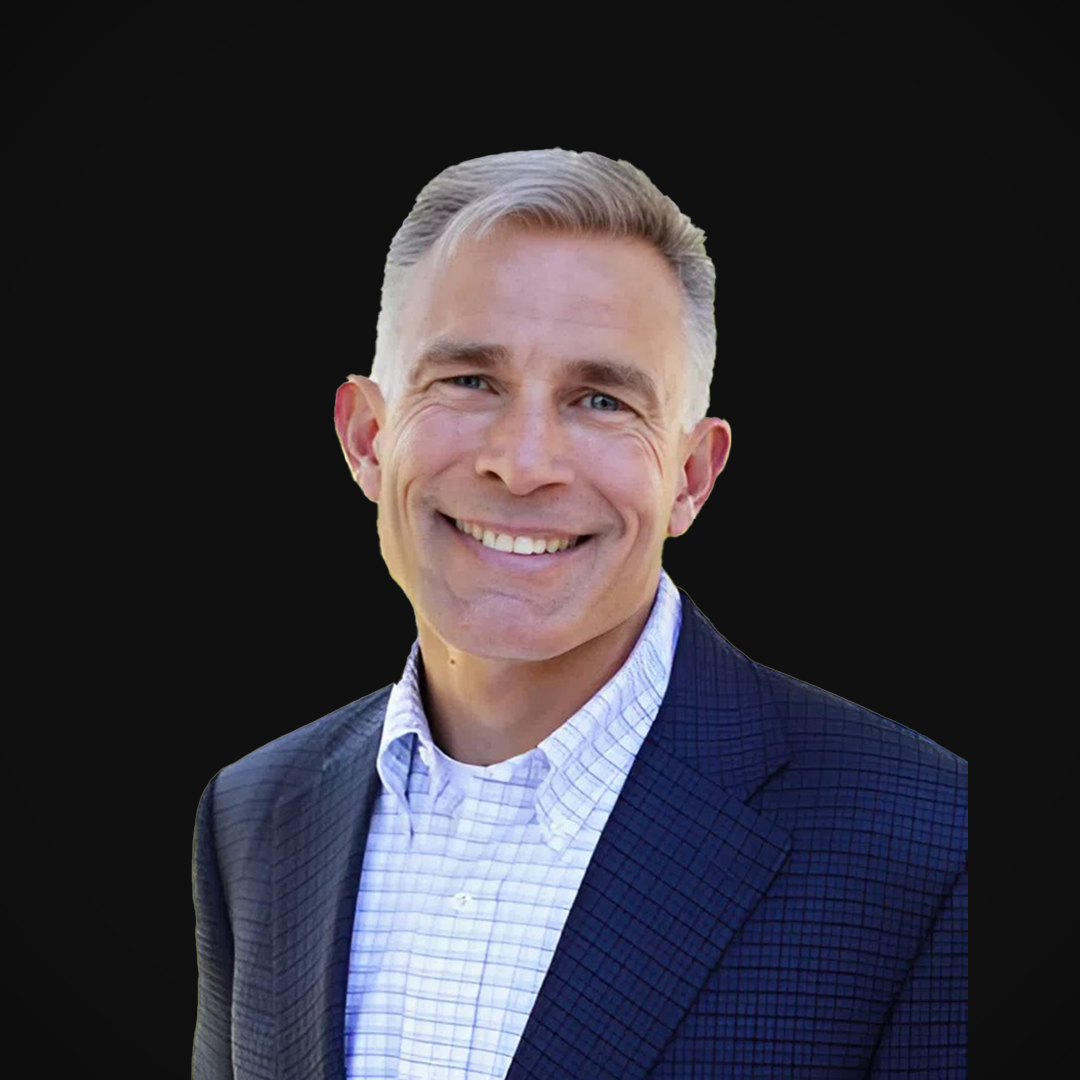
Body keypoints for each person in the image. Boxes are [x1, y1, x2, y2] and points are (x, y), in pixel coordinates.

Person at [192, 149, 967, 1080]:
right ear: (367, 437)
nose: (523, 464)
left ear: (690, 477)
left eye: (600, 399)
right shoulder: (255, 816)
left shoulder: (932, 849)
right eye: (470, 381)